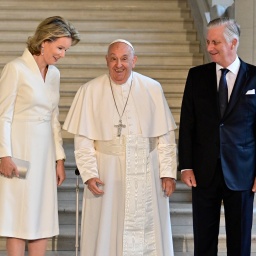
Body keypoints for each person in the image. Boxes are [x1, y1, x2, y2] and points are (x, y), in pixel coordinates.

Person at [63, 39, 177, 256]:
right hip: (107, 173)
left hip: (146, 170)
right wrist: (88, 174)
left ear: (134, 61)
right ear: (106, 61)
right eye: (113, 59)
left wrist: (168, 173)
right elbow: (83, 141)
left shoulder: (152, 88)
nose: (119, 65)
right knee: (107, 229)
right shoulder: (90, 90)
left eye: (124, 59)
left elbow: (166, 137)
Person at [0, 16, 80, 256]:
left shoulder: (54, 74)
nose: (63, 54)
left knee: (42, 217)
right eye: (60, 48)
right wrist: (4, 155)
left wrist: (59, 159)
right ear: (44, 42)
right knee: (17, 219)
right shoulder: (16, 68)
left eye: (65, 49)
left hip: (45, 156)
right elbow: (2, 115)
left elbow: (54, 117)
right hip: (19, 154)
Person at [179, 17, 256, 256]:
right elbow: (187, 124)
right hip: (204, 172)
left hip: (243, 173)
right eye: (208, 41)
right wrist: (186, 166)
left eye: (216, 42)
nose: (210, 47)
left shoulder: (255, 77)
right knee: (204, 241)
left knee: (240, 243)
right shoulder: (196, 76)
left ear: (233, 43)